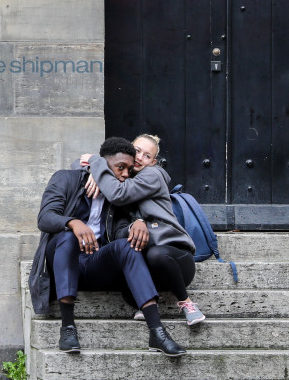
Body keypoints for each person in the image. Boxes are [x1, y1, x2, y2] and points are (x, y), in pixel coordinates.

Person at [28, 137, 188, 357]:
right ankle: (67, 327)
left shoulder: (117, 197)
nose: (124, 174)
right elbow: (45, 218)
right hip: (65, 260)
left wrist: (135, 225)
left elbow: (120, 228)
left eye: (129, 170)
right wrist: (73, 223)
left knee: (127, 246)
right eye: (120, 168)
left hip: (96, 263)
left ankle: (157, 332)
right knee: (68, 238)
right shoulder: (65, 178)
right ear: (103, 164)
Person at [81, 134, 206, 326]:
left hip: (174, 258)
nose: (139, 158)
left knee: (156, 254)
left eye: (147, 156)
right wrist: (93, 170)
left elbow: (118, 194)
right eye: (137, 151)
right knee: (125, 272)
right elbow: (75, 164)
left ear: (153, 162)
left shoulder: (152, 175)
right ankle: (149, 301)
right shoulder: (120, 176)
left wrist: (97, 165)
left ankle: (186, 302)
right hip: (145, 263)